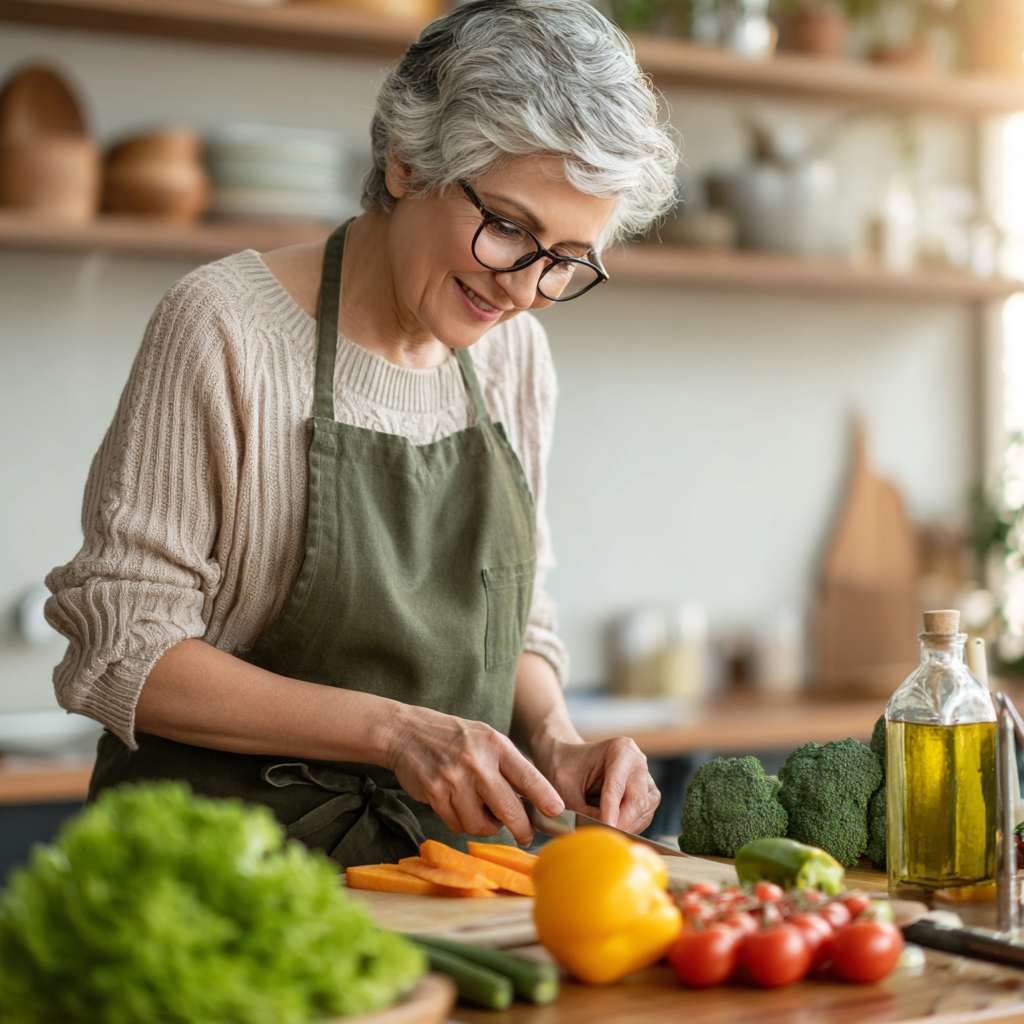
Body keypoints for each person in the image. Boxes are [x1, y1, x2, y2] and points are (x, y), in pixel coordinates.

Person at [45, 0, 679, 865]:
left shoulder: (514, 361)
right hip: (221, 876)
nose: (526, 291)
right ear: (405, 162)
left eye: (566, 260)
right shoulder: (226, 329)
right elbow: (125, 651)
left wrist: (558, 740)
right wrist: (395, 733)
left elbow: (519, 617)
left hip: (446, 879)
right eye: (510, 230)